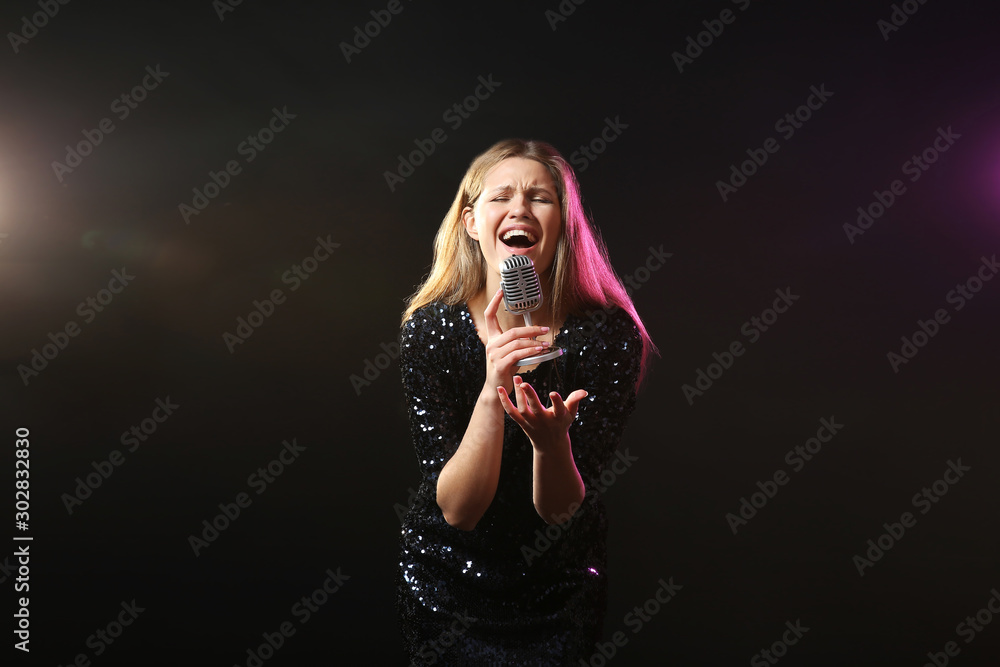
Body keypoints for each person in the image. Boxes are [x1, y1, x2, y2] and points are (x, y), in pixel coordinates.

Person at [396, 138, 656, 665]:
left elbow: (559, 511)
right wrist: (495, 388)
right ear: (471, 222)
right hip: (449, 580)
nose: (520, 208)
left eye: (540, 197)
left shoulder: (609, 336)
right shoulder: (430, 329)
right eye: (502, 197)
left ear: (562, 222)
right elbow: (458, 510)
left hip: (557, 586)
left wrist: (550, 442)